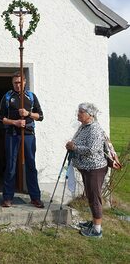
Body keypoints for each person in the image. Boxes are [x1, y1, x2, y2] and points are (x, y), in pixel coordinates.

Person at [0, 71, 44, 208]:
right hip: (12, 134)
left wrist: (28, 113)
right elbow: (0, 118)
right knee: (11, 166)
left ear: (24, 82)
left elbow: (40, 116)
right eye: (15, 83)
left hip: (28, 134)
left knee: (30, 165)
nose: (17, 85)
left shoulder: (31, 96)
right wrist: (15, 122)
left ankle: (35, 197)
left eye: (19, 82)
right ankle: (7, 197)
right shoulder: (7, 97)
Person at [66, 102, 108, 238]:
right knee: (90, 196)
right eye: (78, 112)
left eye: (80, 112)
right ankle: (94, 222)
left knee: (94, 197)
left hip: (95, 168)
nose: (78, 114)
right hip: (87, 168)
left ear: (90, 115)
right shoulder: (84, 127)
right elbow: (79, 142)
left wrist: (74, 148)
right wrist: (72, 144)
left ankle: (97, 230)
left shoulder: (94, 129)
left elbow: (92, 149)